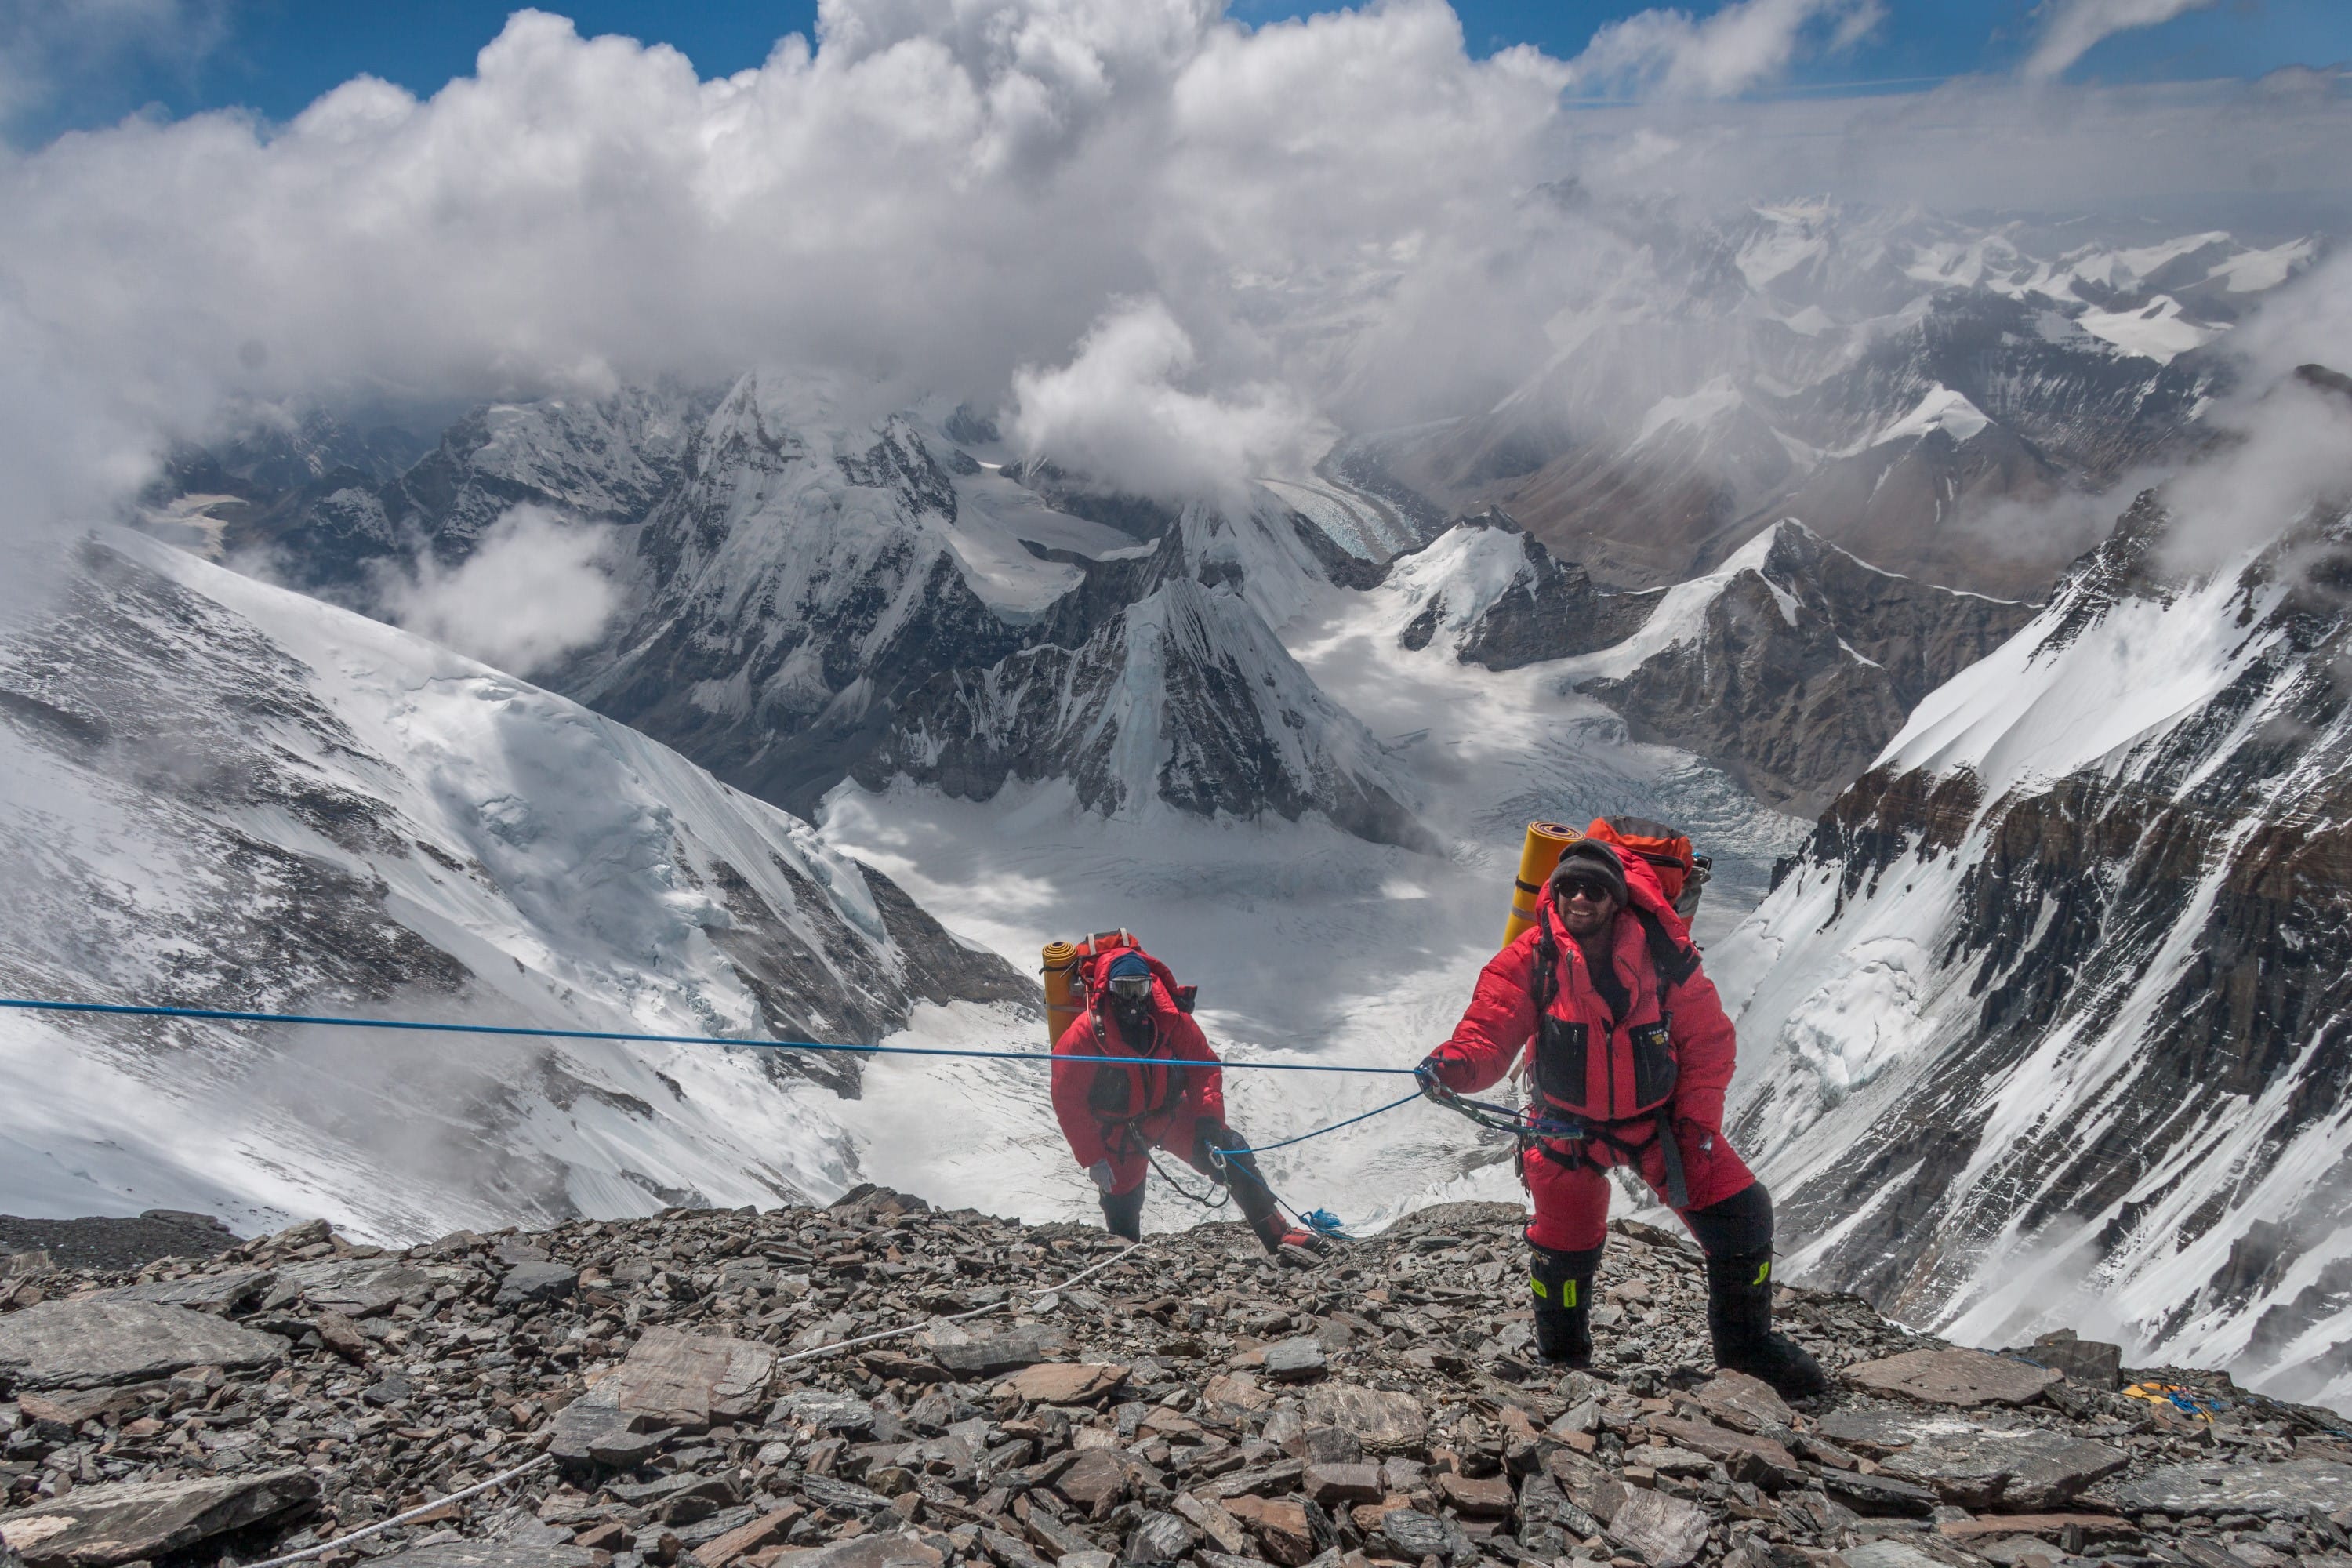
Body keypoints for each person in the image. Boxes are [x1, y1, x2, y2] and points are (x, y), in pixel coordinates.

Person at [1415, 839, 1827, 1396]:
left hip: (1656, 1124)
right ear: (1553, 892)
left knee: (1744, 1216)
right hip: (1565, 1128)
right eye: (1568, 887)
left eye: (1595, 889)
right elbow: (1488, 1035)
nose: (1580, 898)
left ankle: (1746, 1350)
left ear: (1618, 900)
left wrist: (1695, 1127)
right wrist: (1452, 1066)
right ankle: (1563, 1359)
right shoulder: (1531, 958)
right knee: (1563, 1247)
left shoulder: (1663, 956)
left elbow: (1707, 1044)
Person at [1051, 949, 1321, 1254]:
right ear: (1108, 991)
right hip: (1119, 1131)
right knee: (1121, 1198)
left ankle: (1278, 1234)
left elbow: (1202, 1065)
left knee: (1230, 1151)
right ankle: (1127, 1256)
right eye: (1124, 990)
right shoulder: (1086, 1033)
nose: (1133, 1000)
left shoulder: (1170, 1019)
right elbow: (1067, 1097)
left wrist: (1208, 1120)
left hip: (1167, 1114)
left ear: (1150, 987)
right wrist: (1092, 1156)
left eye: (1139, 989)